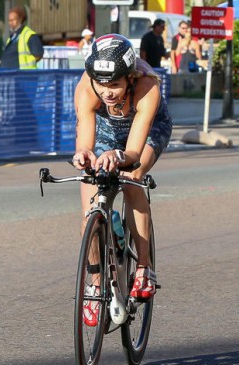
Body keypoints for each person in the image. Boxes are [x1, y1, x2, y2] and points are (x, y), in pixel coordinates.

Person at [72, 34, 172, 326]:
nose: (107, 92)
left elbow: (133, 152)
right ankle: (95, 282)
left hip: (146, 130)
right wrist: (84, 154)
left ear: (129, 78)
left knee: (131, 177)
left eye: (114, 84)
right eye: (101, 84)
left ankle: (144, 267)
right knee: (89, 206)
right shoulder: (87, 87)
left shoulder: (146, 86)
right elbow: (86, 140)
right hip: (107, 128)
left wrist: (118, 156)